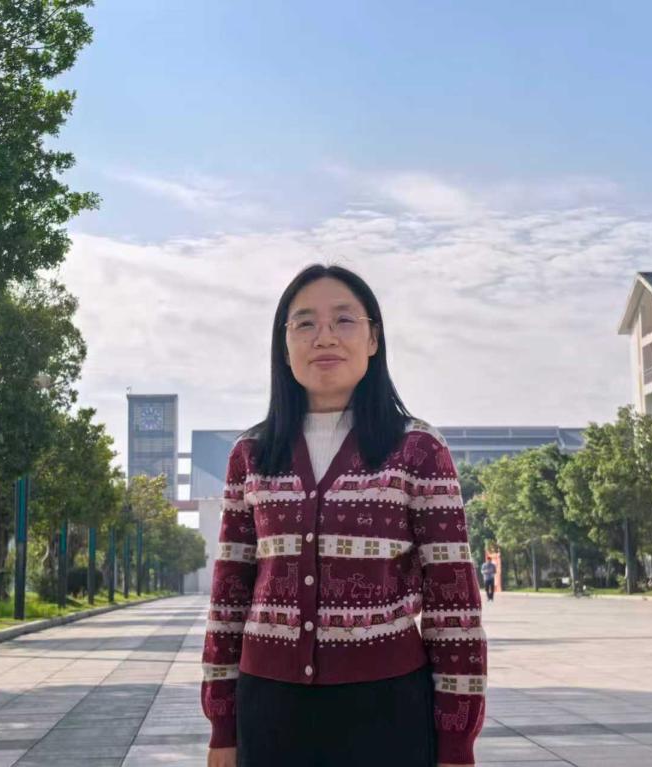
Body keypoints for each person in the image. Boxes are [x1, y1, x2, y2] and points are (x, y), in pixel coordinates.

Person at [202, 264, 487, 767]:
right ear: (284, 345)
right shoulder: (251, 454)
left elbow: (453, 605)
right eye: (305, 323)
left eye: (344, 320)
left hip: (386, 710)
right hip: (269, 709)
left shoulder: (418, 449)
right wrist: (222, 727)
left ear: (373, 339)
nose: (325, 337)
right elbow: (229, 596)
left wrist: (457, 742)